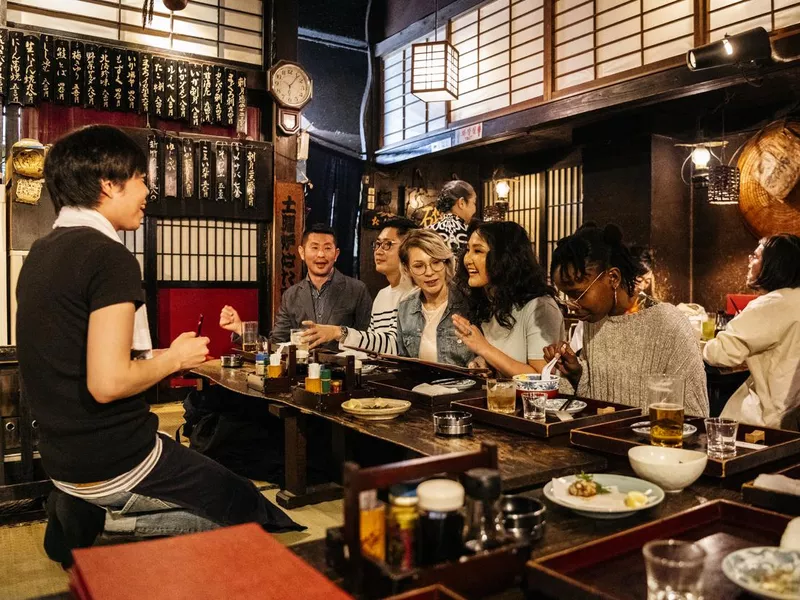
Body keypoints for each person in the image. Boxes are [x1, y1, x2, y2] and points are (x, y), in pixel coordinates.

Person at [16, 125, 300, 564]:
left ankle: (80, 509)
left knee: (231, 487)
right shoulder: (108, 256)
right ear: (109, 184)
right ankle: (101, 531)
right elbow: (107, 383)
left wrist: (167, 355)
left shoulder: (42, 252)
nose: (149, 191)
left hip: (62, 460)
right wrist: (175, 358)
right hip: (115, 458)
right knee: (250, 514)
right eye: (141, 179)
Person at [542, 224, 709, 416]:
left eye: (577, 294)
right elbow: (597, 404)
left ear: (613, 277)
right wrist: (576, 374)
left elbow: (695, 412)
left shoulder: (667, 322)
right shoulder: (593, 321)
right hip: (600, 440)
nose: (572, 305)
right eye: (565, 297)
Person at [220, 223, 372, 351]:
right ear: (302, 252)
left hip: (345, 377)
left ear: (336, 254)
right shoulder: (291, 296)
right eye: (314, 247)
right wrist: (241, 329)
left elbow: (368, 340)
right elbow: (276, 345)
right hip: (301, 377)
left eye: (327, 248)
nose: (321, 255)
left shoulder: (357, 290)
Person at [704, 234, 800, 430]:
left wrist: (694, 341)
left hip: (764, 421)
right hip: (792, 414)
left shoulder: (772, 304)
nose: (749, 261)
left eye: (755, 256)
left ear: (773, 265)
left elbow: (722, 354)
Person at [452, 221, 565, 377]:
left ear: (505, 257)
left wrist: (484, 348)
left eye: (478, 251)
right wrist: (484, 363)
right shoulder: (489, 302)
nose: (467, 259)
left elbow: (542, 378)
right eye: (467, 250)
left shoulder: (540, 307)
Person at [301, 217, 418, 354]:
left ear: (409, 249)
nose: (378, 251)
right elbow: (371, 347)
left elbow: (395, 345)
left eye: (388, 245)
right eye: (378, 244)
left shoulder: (415, 293)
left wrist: (339, 332)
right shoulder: (382, 295)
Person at [396, 229, 474, 366]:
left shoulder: (469, 302)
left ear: (446, 263)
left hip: (465, 386)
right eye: (419, 266)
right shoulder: (405, 308)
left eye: (436, 262)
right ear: (407, 270)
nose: (429, 272)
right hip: (420, 386)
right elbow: (404, 364)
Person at [427, 180, 477, 255]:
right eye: (474, 202)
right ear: (462, 203)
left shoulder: (427, 232)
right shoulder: (475, 234)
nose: (475, 209)